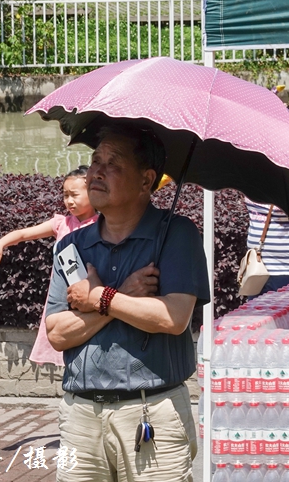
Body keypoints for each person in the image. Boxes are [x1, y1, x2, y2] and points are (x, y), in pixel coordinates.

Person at [44, 124, 210, 482]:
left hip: (153, 412)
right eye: (95, 161)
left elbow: (173, 317)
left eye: (113, 163)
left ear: (146, 180)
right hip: (81, 416)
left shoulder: (176, 235)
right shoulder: (72, 246)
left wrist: (98, 298)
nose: (96, 172)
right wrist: (121, 296)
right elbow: (57, 333)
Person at [0, 166, 98, 366]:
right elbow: (23, 234)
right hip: (61, 297)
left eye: (74, 195)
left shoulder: (103, 225)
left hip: (89, 296)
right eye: (65, 195)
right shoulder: (62, 224)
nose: (69, 201)